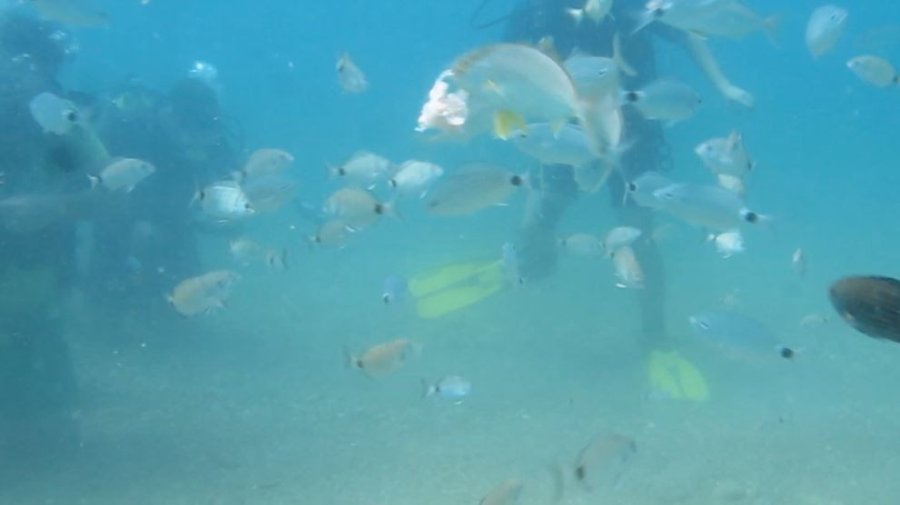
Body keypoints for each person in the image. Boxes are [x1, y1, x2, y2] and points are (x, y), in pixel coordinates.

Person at [502, 0, 753, 400]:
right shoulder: (540, 9)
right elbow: (510, 65)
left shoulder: (632, 4)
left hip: (633, 129)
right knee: (544, 211)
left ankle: (653, 334)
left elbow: (687, 29)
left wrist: (723, 85)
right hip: (563, 131)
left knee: (640, 233)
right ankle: (522, 269)